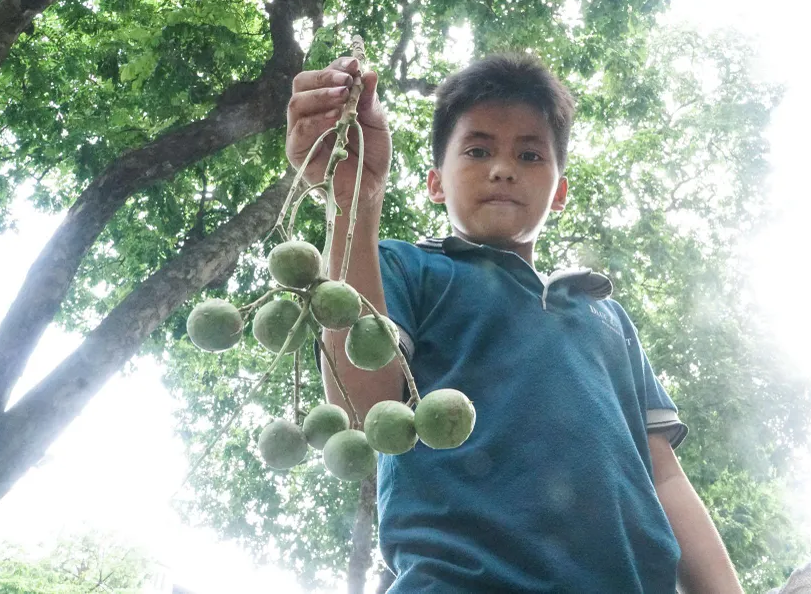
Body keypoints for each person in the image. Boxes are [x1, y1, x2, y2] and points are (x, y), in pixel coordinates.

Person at [286, 52, 743, 593]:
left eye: (530, 154)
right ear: (436, 183)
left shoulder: (606, 316)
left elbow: (663, 474)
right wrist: (353, 199)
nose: (503, 167)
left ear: (560, 191)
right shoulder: (404, 268)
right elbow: (363, 408)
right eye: (478, 150)